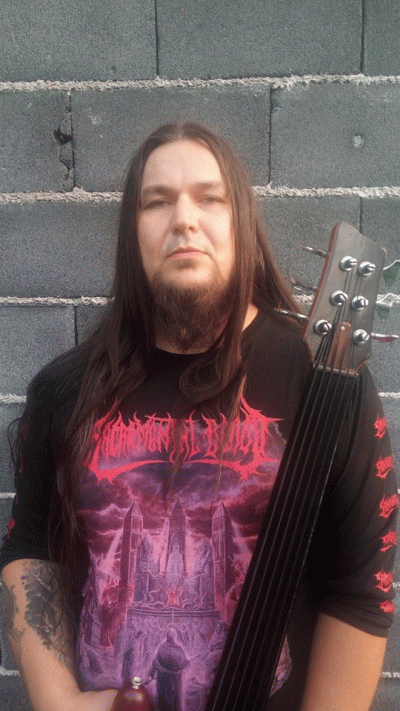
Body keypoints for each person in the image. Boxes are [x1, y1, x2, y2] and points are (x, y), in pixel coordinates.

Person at [0, 122, 397, 711]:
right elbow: (32, 546)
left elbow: (362, 588)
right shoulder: (65, 389)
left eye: (210, 198)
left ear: (241, 222)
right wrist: (60, 701)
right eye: (157, 202)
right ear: (132, 232)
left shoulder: (327, 381)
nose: (184, 219)